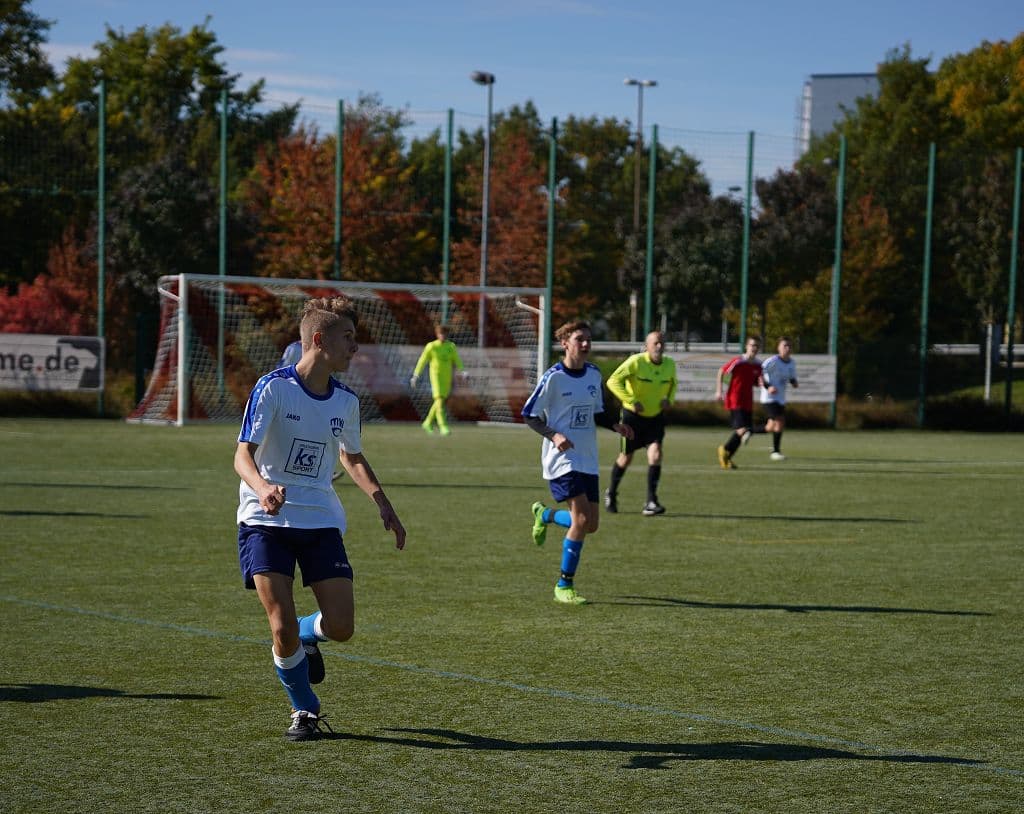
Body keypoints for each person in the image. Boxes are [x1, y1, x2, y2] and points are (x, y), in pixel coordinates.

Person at [234, 295, 407, 742]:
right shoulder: (272, 387)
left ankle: (311, 635)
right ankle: (304, 709)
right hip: (265, 521)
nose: (355, 347)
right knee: (280, 625)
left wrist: (382, 503)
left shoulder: (346, 401)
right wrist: (263, 488)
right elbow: (242, 456)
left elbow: (352, 456)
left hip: (320, 523)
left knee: (342, 627)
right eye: (347, 338)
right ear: (318, 339)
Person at [522, 320, 633, 605]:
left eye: (588, 339)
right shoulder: (553, 377)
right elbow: (529, 414)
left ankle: (545, 515)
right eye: (579, 339)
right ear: (565, 343)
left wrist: (615, 426)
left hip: (588, 458)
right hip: (561, 459)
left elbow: (597, 412)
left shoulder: (593, 374)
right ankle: (563, 584)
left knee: (590, 524)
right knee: (581, 520)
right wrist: (554, 434)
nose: (585, 344)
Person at [603, 330, 677, 516]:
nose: (659, 346)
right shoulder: (636, 362)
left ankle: (651, 501)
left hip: (655, 418)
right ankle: (611, 492)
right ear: (647, 346)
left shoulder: (669, 364)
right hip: (632, 419)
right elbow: (613, 381)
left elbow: (673, 384)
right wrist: (631, 400)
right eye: (655, 343)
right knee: (626, 458)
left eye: (662, 343)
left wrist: (670, 399)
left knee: (656, 454)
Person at [715, 336, 763, 470]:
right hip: (735, 399)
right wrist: (719, 391)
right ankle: (724, 450)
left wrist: (760, 383)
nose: (754, 348)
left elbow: (754, 381)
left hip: (748, 401)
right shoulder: (738, 361)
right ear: (746, 347)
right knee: (743, 430)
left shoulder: (758, 365)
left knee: (747, 430)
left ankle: (727, 456)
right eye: (752, 345)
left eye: (757, 346)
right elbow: (721, 371)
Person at [410, 323, 466, 436]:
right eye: (441, 333)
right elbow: (422, 361)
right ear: (437, 334)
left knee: (439, 402)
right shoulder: (431, 346)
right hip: (435, 377)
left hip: (447, 378)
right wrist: (416, 375)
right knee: (439, 401)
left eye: (445, 334)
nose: (443, 336)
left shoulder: (451, 346)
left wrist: (463, 370)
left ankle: (427, 422)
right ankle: (443, 426)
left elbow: (457, 360)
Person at [760, 336, 799, 461]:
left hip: (780, 398)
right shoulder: (773, 362)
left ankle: (747, 431)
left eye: (789, 346)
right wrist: (768, 387)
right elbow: (760, 375)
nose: (787, 348)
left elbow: (791, 376)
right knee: (780, 421)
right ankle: (775, 452)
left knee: (770, 427)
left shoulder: (791, 362)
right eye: (784, 346)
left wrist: (794, 382)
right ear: (778, 348)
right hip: (769, 397)